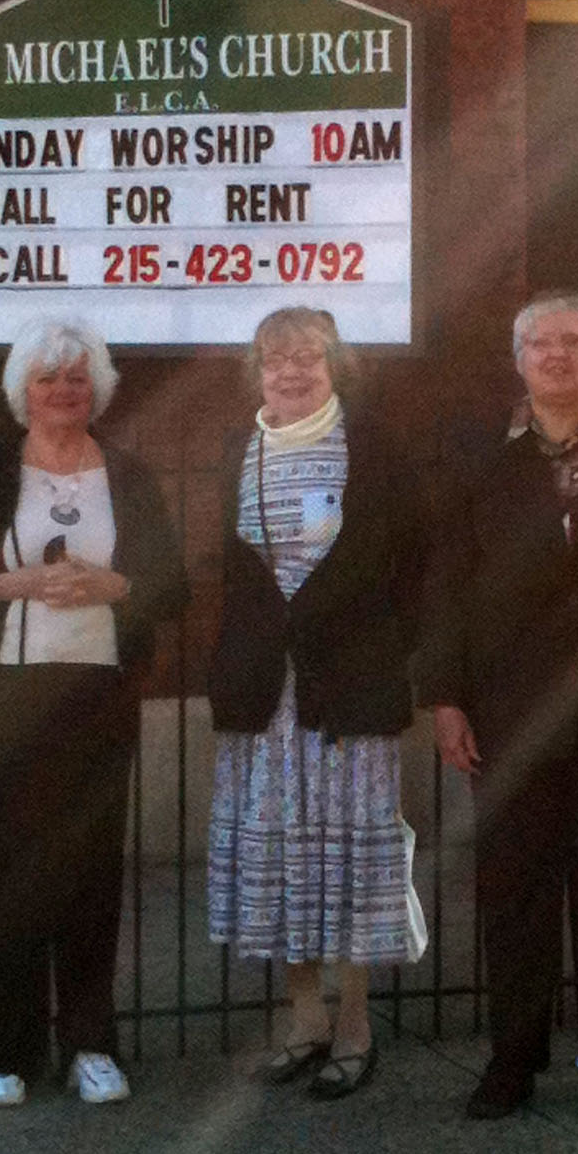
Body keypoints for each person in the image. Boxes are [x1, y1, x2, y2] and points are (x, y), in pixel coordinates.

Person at [0, 318, 186, 1108]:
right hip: (4, 697)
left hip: (97, 695)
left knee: (91, 872)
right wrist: (15, 585)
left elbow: (172, 585)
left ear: (96, 389)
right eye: (47, 378)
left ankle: (90, 1044)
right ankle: (5, 1049)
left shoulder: (129, 476)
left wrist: (119, 587)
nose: (64, 391)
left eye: (76, 378)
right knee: (5, 871)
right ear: (21, 391)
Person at [420, 292, 578, 1122]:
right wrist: (446, 697)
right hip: (510, 710)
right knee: (515, 895)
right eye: (540, 343)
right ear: (518, 359)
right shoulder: (477, 453)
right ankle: (513, 1059)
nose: (556, 355)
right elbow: (448, 581)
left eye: (573, 342)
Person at [207, 306, 424, 1100]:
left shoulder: (375, 450)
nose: (291, 371)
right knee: (279, 853)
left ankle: (357, 1027)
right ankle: (304, 1019)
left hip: (350, 690)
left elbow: (411, 565)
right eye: (275, 359)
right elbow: (235, 577)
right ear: (256, 371)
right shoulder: (242, 448)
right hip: (265, 696)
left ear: (337, 366)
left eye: (307, 357)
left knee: (353, 859)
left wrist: (387, 652)